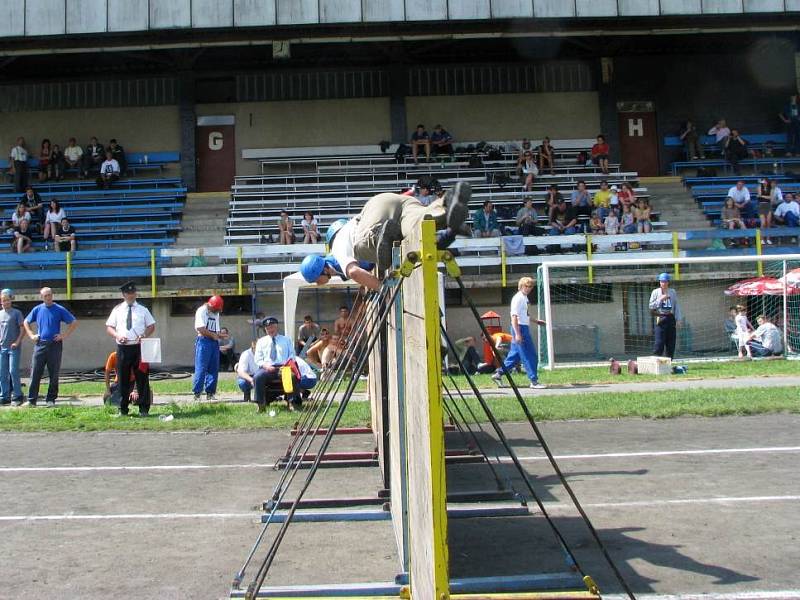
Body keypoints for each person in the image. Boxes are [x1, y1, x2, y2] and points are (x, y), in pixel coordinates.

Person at [298, 182, 471, 290]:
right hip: (391, 202)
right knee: (416, 229)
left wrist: (382, 288)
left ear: (320, 271)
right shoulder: (346, 232)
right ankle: (446, 207)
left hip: (376, 219)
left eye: (315, 280)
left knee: (363, 247)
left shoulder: (338, 251)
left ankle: (385, 237)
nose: (317, 283)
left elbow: (354, 272)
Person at [105, 282, 155, 416]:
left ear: (136, 294)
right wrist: (117, 335)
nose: (131, 295)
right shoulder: (117, 310)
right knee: (122, 379)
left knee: (142, 378)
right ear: (123, 295)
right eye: (128, 293)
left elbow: (151, 326)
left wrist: (144, 335)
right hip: (123, 348)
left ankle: (144, 409)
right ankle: (123, 409)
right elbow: (109, 327)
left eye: (133, 293)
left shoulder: (143, 309)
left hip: (139, 347)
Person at [23, 287, 78, 407]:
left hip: (55, 345)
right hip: (40, 344)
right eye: (45, 296)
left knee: (54, 373)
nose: (48, 297)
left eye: (49, 295)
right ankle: (32, 400)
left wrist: (63, 335)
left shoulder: (59, 309)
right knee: (35, 372)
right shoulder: (37, 309)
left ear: (52, 295)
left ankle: (51, 399)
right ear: (41, 297)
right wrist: (31, 335)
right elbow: (26, 322)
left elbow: (73, 322)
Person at [491, 277, 545, 389]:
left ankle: (498, 374)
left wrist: (536, 321)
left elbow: (526, 315)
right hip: (520, 329)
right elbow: (514, 317)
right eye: (526, 286)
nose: (528, 288)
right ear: (521, 286)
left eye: (530, 286)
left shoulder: (524, 298)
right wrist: (518, 334)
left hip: (522, 327)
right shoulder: (518, 298)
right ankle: (534, 381)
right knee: (530, 355)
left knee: (514, 356)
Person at [252, 316, 295, 412]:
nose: (270, 330)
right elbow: (258, 359)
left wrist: (287, 364)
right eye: (267, 328)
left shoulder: (286, 339)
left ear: (276, 327)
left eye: (272, 327)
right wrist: (266, 366)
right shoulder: (261, 341)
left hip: (283, 367)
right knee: (257, 377)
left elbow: (292, 355)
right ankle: (261, 404)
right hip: (267, 368)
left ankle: (291, 402)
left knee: (290, 376)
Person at [193, 295, 224, 402]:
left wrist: (220, 335)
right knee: (201, 368)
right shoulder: (201, 311)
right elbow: (200, 328)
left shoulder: (216, 313)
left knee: (213, 368)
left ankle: (210, 393)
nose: (218, 311)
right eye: (217, 308)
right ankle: (197, 393)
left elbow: (216, 330)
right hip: (203, 341)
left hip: (213, 342)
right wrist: (213, 335)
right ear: (212, 306)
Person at [0, 289, 25, 406]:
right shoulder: (0, 314)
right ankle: (4, 396)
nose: (5, 302)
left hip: (13, 348)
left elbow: (22, 329)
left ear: (11, 300)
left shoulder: (16, 313)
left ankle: (18, 395)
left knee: (13, 371)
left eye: (7, 300)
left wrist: (17, 341)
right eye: (3, 301)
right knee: (2, 372)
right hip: (2, 348)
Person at [648, 273, 681, 359]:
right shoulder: (655, 292)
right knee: (659, 341)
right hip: (661, 317)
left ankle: (669, 361)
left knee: (671, 342)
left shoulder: (672, 292)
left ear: (668, 282)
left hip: (670, 317)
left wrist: (678, 319)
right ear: (659, 282)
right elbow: (651, 306)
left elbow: (676, 306)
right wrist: (660, 299)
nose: (664, 283)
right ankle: (656, 359)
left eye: (666, 281)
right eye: (662, 281)